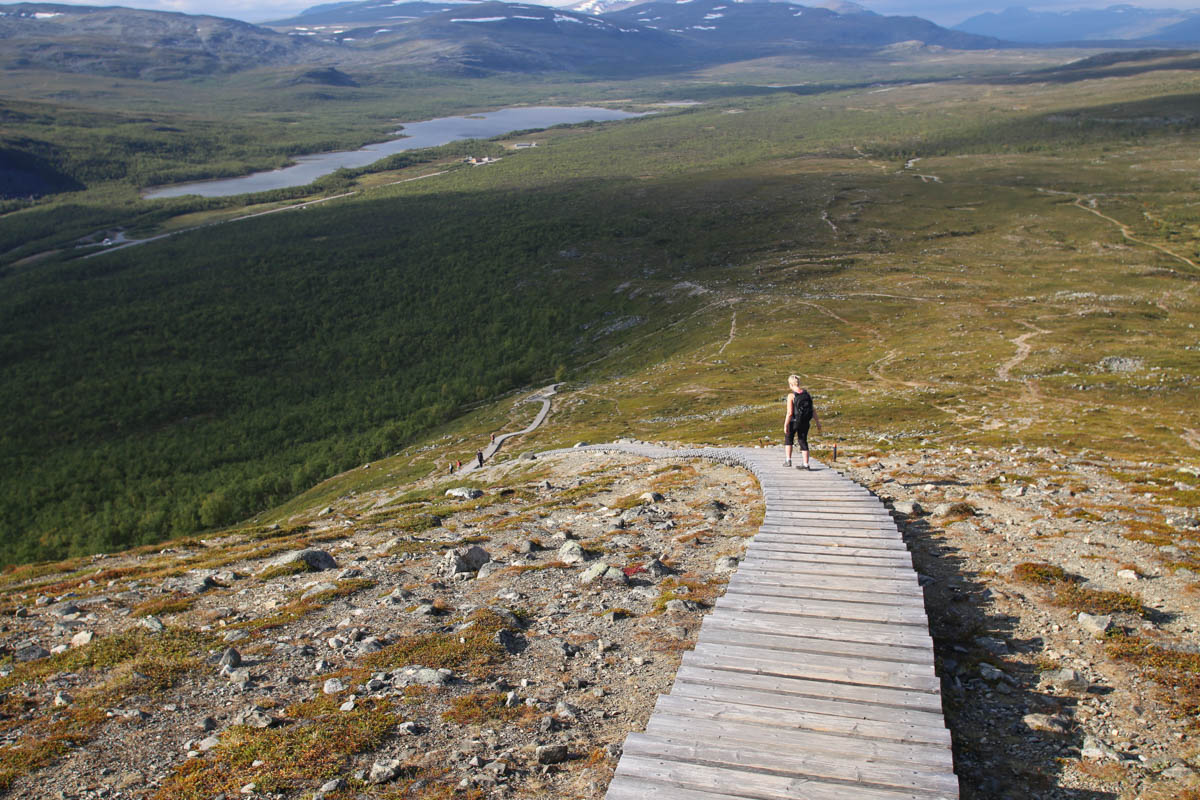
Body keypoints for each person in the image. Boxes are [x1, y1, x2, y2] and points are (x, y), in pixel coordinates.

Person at [783, 374, 822, 469]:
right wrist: (817, 422)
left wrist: (786, 424)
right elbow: (812, 409)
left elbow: (789, 412)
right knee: (803, 441)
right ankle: (806, 464)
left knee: (789, 439)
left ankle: (788, 460)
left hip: (794, 421)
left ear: (791, 384)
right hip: (805, 422)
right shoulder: (807, 394)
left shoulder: (791, 396)